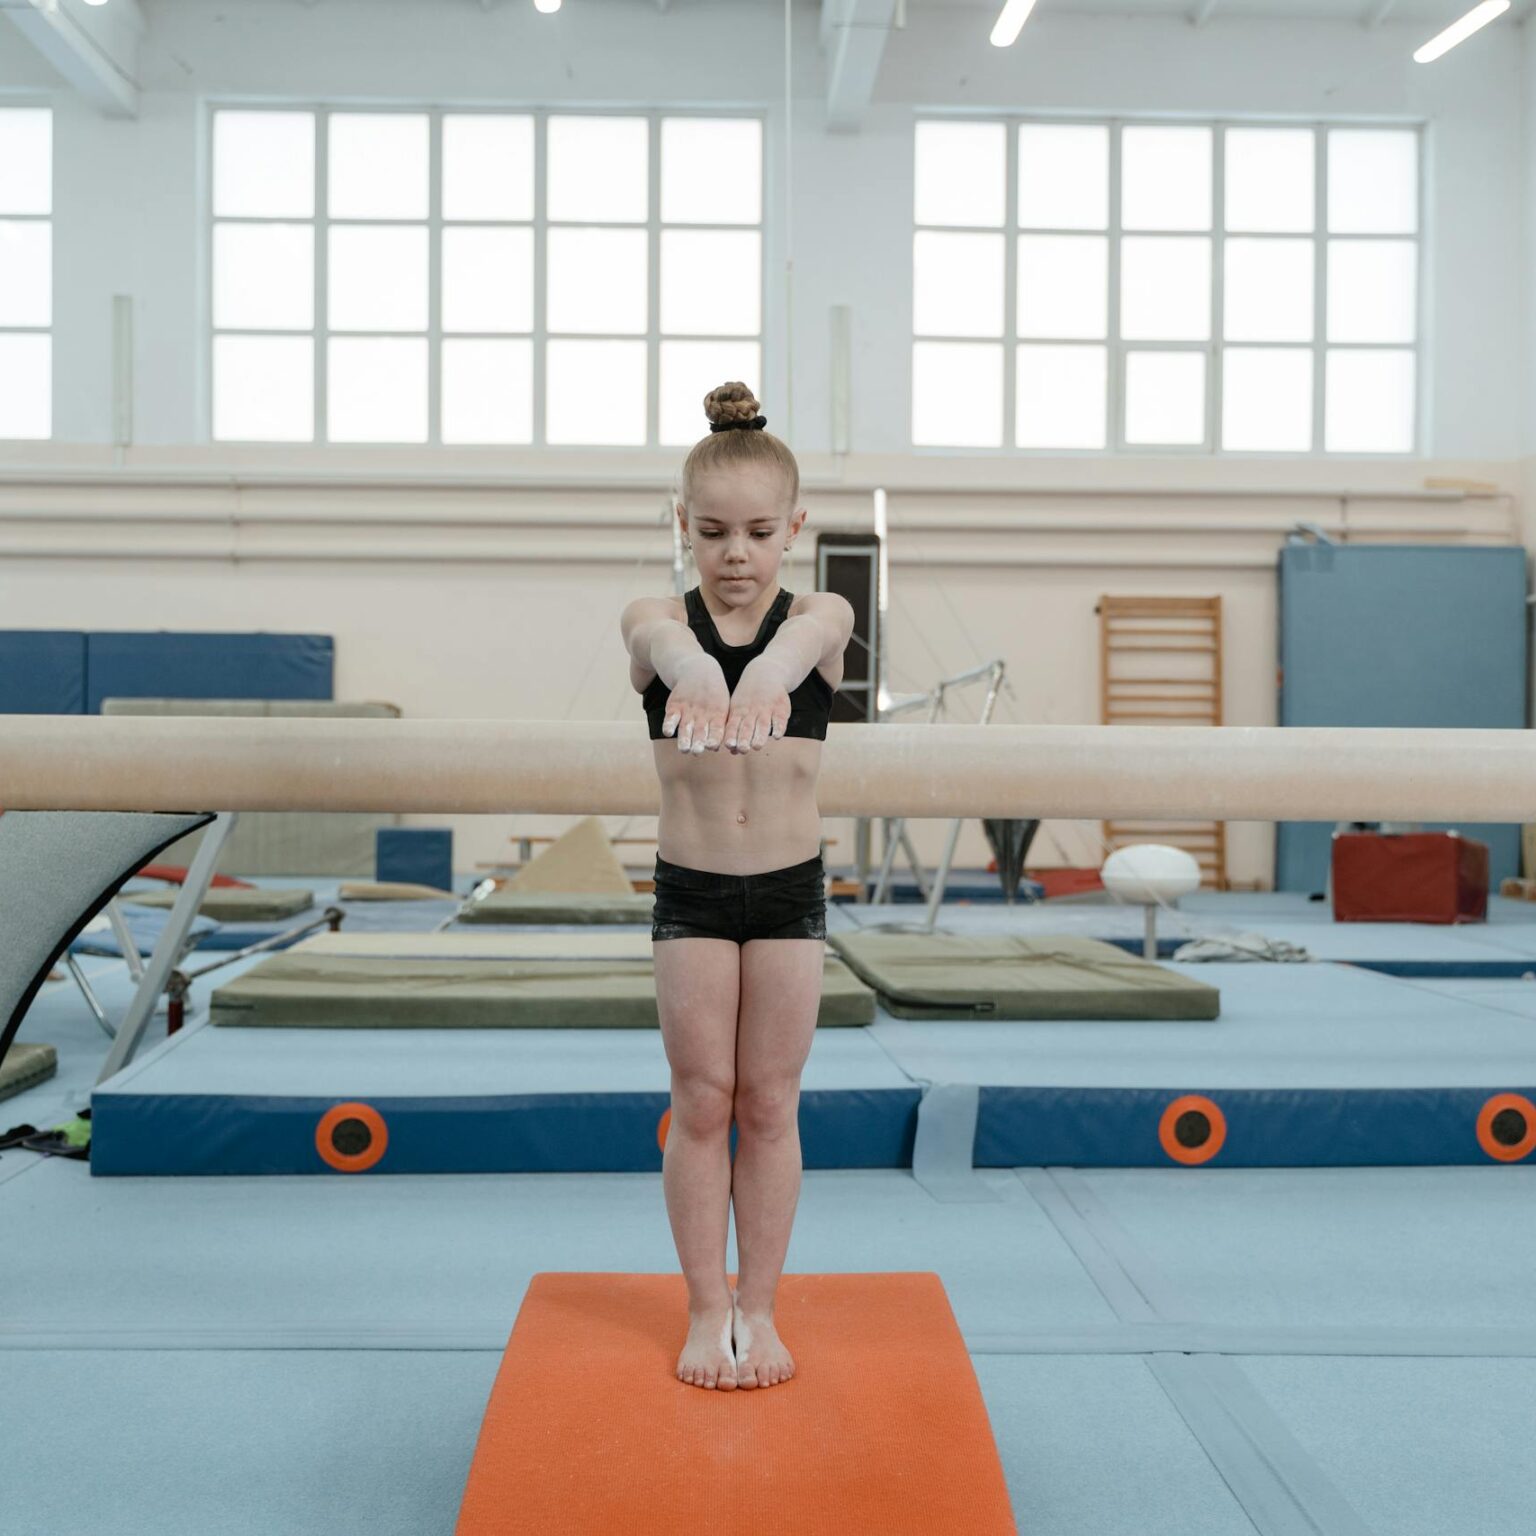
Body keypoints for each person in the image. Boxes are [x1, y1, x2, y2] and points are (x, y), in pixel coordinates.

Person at [620, 381, 854, 1392]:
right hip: (696, 897)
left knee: (770, 1104)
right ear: (683, 526)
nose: (736, 555)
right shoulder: (652, 619)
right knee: (703, 1100)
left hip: (790, 892)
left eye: (761, 533)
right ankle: (705, 1305)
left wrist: (766, 673)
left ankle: (759, 1310)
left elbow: (810, 641)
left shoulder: (822, 615)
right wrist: (695, 669)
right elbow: (657, 644)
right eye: (712, 533)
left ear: (794, 529)